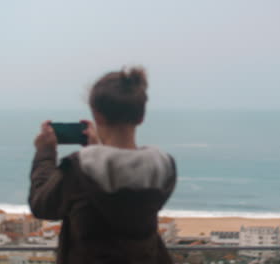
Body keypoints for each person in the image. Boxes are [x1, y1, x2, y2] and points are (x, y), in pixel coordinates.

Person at [29, 67, 177, 264]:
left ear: (96, 115)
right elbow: (121, 187)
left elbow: (42, 205)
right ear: (141, 117)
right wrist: (98, 149)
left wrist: (45, 153)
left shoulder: (80, 169)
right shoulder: (162, 169)